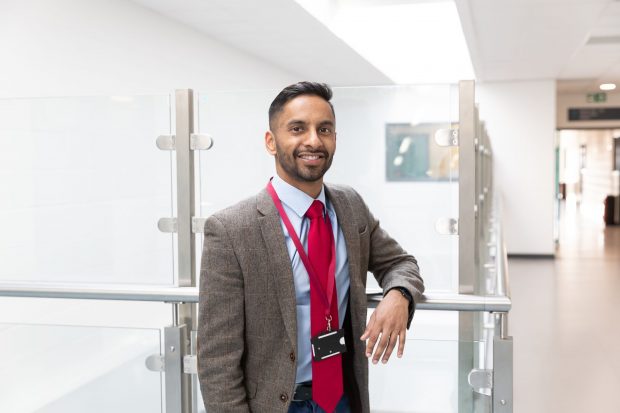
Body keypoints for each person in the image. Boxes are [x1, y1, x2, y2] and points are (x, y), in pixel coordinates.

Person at [198, 81, 424, 413]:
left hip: (343, 398)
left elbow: (400, 263)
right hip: (279, 403)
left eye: (325, 129)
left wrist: (399, 296)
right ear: (271, 142)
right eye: (298, 128)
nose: (314, 140)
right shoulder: (232, 230)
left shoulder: (350, 206)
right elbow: (216, 357)